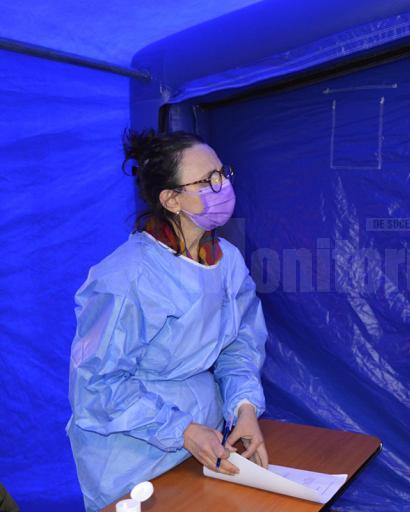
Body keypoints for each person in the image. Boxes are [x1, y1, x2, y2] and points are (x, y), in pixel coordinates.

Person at [67, 130, 269, 511]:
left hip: (205, 445)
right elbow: (96, 387)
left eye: (222, 173)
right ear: (171, 199)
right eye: (207, 180)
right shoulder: (126, 278)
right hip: (132, 456)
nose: (221, 185)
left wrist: (243, 407)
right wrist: (180, 429)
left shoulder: (226, 261)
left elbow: (239, 342)